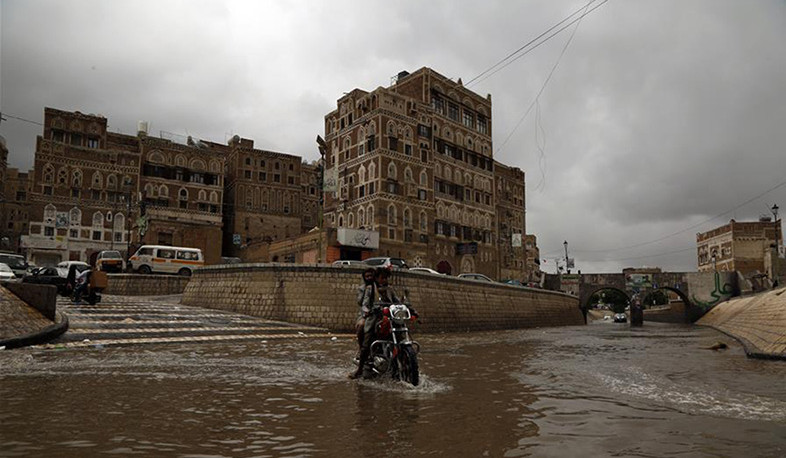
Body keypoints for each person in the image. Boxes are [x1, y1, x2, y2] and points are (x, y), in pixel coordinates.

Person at [350, 267, 417, 379]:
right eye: (382, 278)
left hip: (390, 318)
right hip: (375, 318)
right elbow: (365, 304)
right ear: (377, 278)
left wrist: (411, 310)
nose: (385, 280)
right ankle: (360, 369)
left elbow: (398, 302)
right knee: (367, 343)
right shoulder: (370, 289)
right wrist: (367, 311)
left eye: (386, 278)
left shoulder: (390, 289)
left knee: (400, 335)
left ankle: (401, 361)